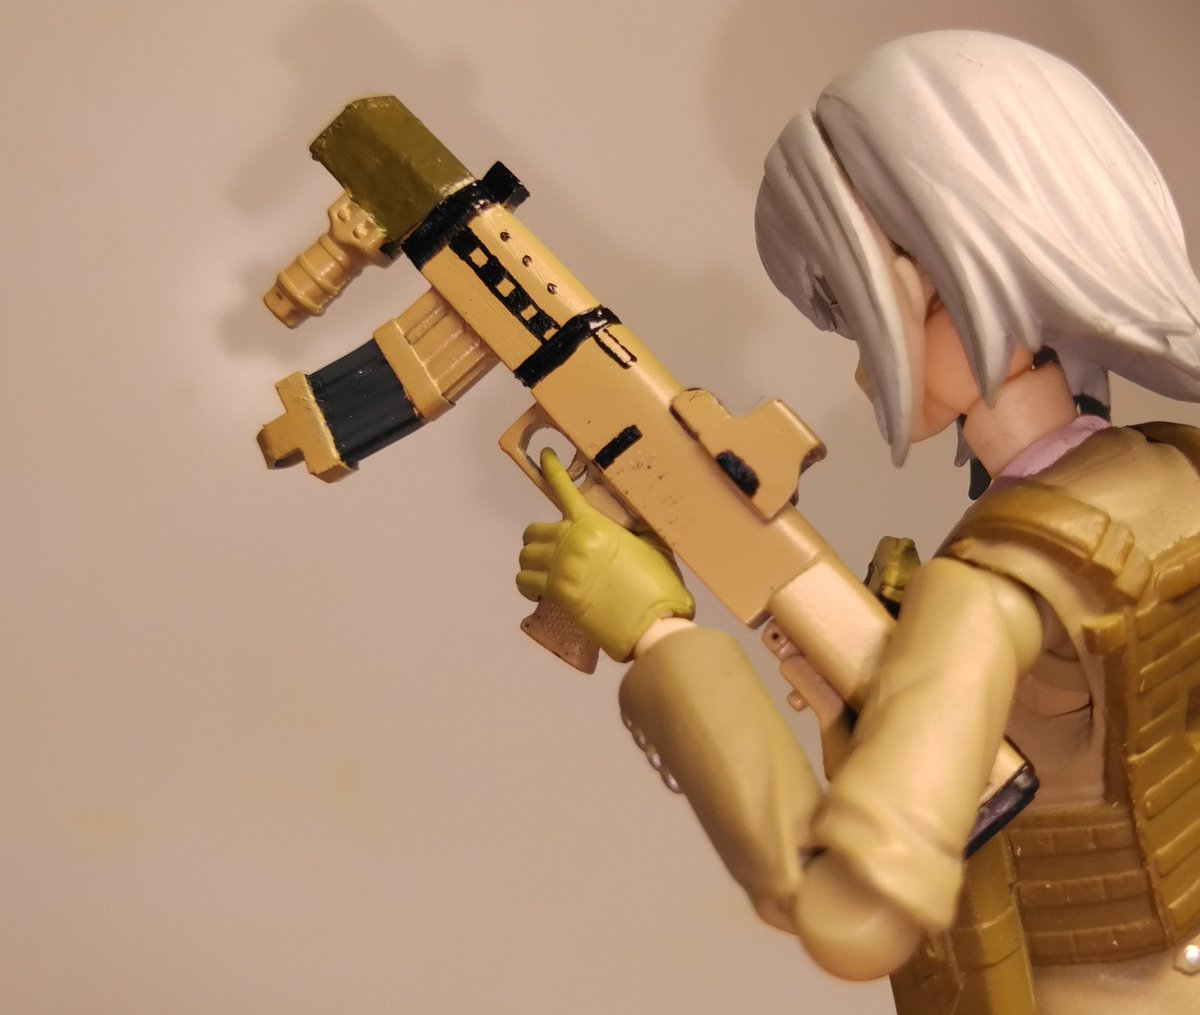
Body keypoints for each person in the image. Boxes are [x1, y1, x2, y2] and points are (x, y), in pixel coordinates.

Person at [517, 31, 1200, 1014]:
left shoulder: (988, 590)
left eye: (852, 299)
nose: (858, 363)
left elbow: (848, 916)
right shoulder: (1177, 471)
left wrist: (659, 636)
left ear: (955, 262)